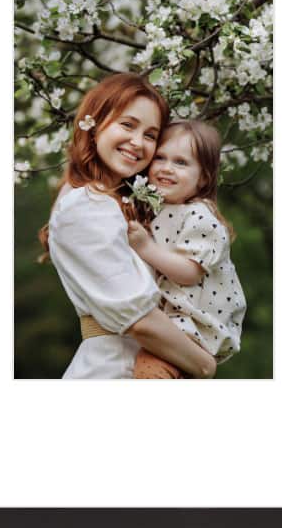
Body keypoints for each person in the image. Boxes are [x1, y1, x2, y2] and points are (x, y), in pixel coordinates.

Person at [41, 72, 217, 379]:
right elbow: (139, 319)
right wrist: (205, 365)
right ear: (93, 124)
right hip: (112, 369)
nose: (137, 142)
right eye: (127, 125)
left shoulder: (115, 202)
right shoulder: (85, 205)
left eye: (150, 135)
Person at [126, 120, 246, 367]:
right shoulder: (156, 207)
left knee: (150, 370)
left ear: (203, 178)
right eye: (160, 158)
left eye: (180, 162)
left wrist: (146, 248)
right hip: (172, 322)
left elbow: (189, 273)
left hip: (195, 327)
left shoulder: (201, 216)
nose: (167, 168)